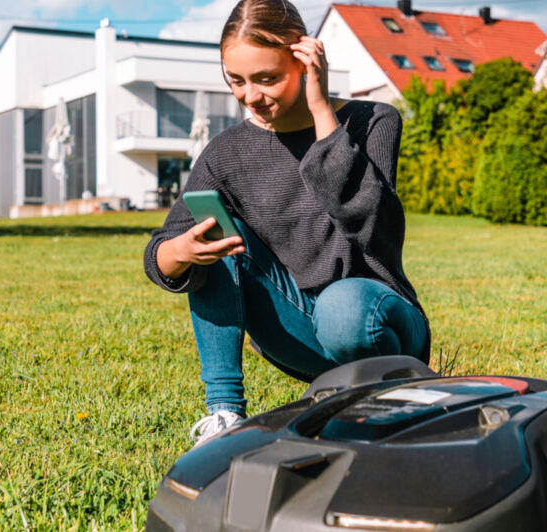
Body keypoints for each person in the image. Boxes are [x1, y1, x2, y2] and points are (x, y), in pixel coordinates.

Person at [142, 0, 430, 445]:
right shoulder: (224, 154)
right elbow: (161, 248)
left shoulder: (373, 121)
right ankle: (225, 415)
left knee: (342, 306)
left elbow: (374, 228)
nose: (250, 96)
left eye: (266, 78)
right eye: (235, 80)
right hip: (299, 332)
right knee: (214, 237)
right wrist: (179, 252)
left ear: (304, 60)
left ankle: (387, 394)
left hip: (379, 323)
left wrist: (320, 112)